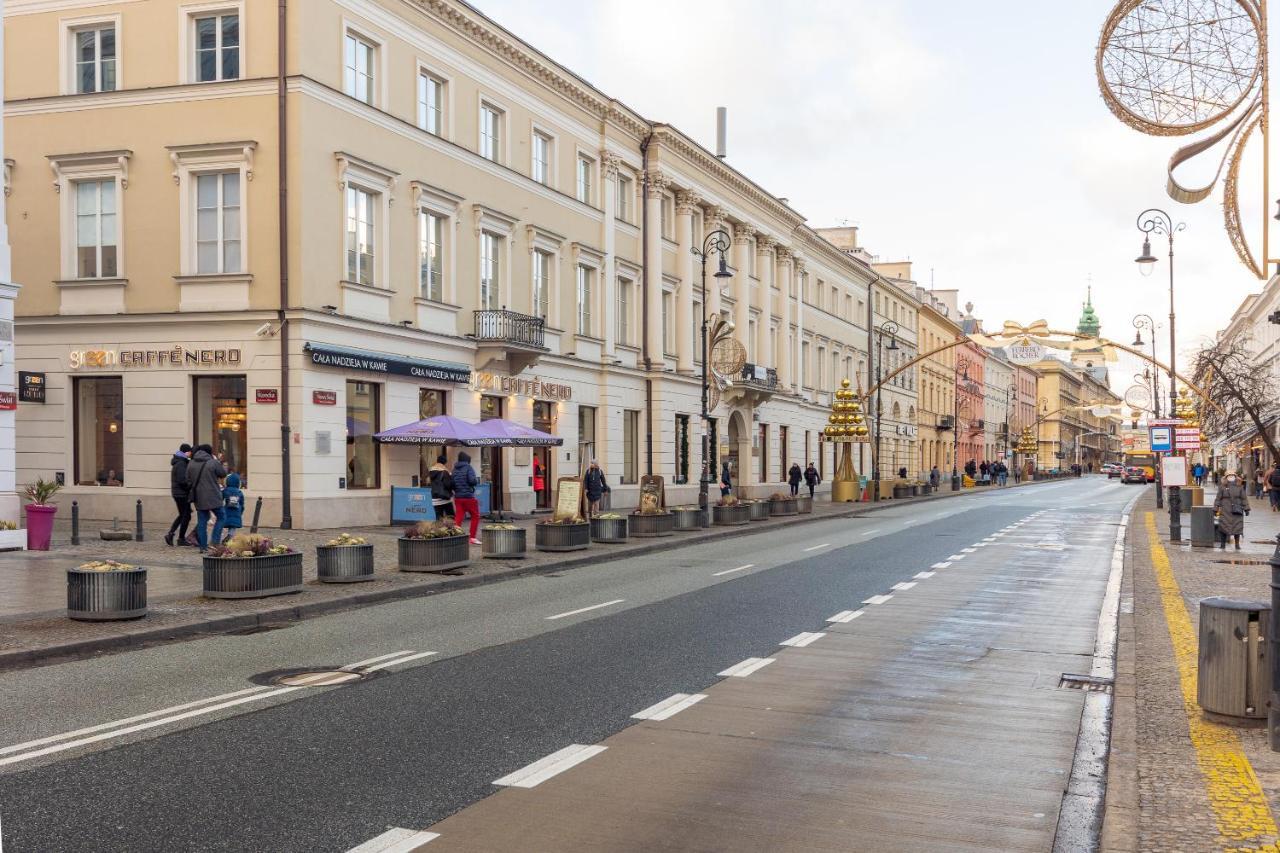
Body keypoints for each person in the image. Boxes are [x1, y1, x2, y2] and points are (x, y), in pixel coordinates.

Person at [186, 444, 227, 552]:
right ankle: (214, 541)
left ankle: (203, 547)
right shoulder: (212, 462)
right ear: (209, 452)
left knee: (202, 521)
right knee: (222, 517)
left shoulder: (191, 463)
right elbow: (223, 473)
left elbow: (188, 480)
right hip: (213, 495)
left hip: (199, 497)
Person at [164, 444, 193, 547]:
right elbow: (182, 480)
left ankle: (172, 535)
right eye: (189, 451)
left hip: (178, 493)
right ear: (186, 452)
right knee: (186, 515)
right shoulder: (181, 463)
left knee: (184, 515)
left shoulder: (180, 461)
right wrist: (189, 485)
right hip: (181, 493)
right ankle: (179, 538)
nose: (190, 453)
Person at [1215, 471, 1250, 550]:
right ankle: (1222, 544)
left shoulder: (1239, 486)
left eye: (1232, 475)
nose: (1231, 477)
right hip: (1225, 510)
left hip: (1237, 510)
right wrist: (1215, 508)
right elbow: (1218, 499)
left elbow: (1244, 498)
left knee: (1237, 527)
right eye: (1229, 475)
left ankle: (1237, 544)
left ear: (1235, 476)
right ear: (1226, 477)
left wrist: (1246, 508)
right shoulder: (1222, 487)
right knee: (1223, 526)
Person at [451, 451, 481, 544]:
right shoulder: (468, 467)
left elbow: (452, 483)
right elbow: (472, 481)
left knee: (458, 517)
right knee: (475, 516)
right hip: (468, 497)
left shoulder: (454, 469)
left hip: (458, 497)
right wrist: (476, 481)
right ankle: (472, 537)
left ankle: (455, 537)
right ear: (467, 460)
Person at [219, 473, 245, 544]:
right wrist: (241, 512)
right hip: (236, 513)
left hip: (226, 512)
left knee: (221, 525)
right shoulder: (239, 492)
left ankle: (219, 537)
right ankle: (230, 537)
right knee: (233, 527)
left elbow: (220, 498)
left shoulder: (225, 490)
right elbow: (242, 504)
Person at [428, 454, 455, 519]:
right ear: (445, 462)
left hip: (434, 498)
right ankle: (450, 529)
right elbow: (448, 485)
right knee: (450, 516)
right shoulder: (445, 471)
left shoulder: (431, 471)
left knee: (439, 518)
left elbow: (429, 482)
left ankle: (438, 529)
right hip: (444, 498)